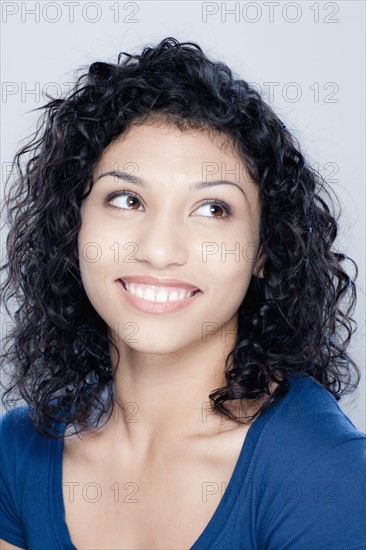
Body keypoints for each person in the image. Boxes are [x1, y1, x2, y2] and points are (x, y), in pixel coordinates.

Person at [0, 36, 365, 550]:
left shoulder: (324, 476)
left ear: (264, 250)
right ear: (73, 227)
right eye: (127, 198)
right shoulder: (17, 452)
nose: (160, 249)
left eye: (213, 209)